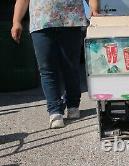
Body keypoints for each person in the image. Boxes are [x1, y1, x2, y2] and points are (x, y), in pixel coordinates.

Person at [11, 0, 99, 128]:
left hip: (71, 20)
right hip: (41, 22)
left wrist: (94, 9)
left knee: (71, 66)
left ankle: (73, 106)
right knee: (47, 69)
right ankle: (55, 112)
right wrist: (16, 22)